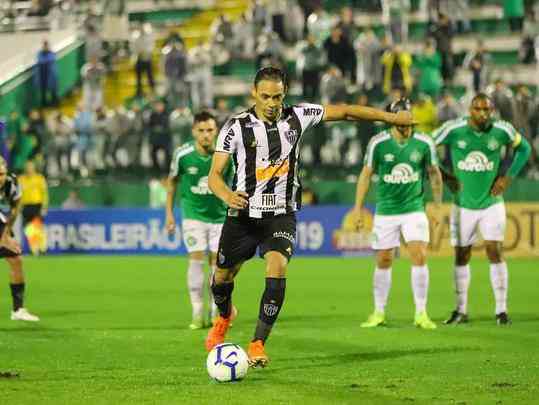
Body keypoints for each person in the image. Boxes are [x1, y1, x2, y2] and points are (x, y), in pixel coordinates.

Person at [205, 67, 415, 367]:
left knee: (277, 266)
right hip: (242, 214)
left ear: (285, 93)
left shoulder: (298, 116)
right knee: (222, 278)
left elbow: (344, 112)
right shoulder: (235, 127)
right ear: (254, 94)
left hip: (282, 214)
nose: (272, 103)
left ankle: (257, 343)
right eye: (265, 96)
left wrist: (391, 117)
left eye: (277, 96)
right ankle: (225, 316)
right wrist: (226, 195)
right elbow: (214, 176)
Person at [433, 93, 531, 325]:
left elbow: (524, 149)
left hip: (491, 204)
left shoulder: (502, 130)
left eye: (488, 109)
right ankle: (460, 310)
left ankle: (501, 310)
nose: (484, 114)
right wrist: (444, 175)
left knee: (494, 251)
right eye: (479, 109)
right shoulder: (453, 129)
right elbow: (427, 146)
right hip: (463, 205)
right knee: (461, 255)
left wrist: (507, 177)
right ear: (470, 110)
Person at [350, 99, 442, 330]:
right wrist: (358, 208)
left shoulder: (424, 143)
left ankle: (421, 313)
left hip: (414, 209)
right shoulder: (378, 144)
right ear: (391, 120)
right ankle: (379, 312)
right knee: (383, 259)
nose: (406, 126)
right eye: (402, 122)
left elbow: (434, 174)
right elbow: (365, 175)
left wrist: (438, 206)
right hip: (387, 211)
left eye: (409, 121)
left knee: (419, 255)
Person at [166, 111, 234, 330]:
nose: (206, 135)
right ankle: (197, 312)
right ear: (194, 132)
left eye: (210, 130)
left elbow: (233, 184)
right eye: (201, 130)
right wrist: (169, 213)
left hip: (220, 217)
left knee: (219, 266)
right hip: (193, 216)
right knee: (196, 259)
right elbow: (172, 182)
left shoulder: (225, 154)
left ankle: (217, 312)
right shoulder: (183, 154)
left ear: (216, 131)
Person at [0, 157, 40, 321]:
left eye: (1, 173)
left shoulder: (12, 183)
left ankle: (18, 310)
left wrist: (6, 233)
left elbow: (15, 207)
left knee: (16, 259)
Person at [18, 160, 48, 256]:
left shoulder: (39, 178)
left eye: (30, 167)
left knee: (38, 227)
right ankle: (34, 249)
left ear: (34, 168)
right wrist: (18, 206)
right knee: (29, 229)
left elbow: (44, 193)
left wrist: (44, 206)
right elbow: (18, 194)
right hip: (25, 206)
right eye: (27, 167)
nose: (29, 169)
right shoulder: (21, 179)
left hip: (36, 206)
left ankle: (42, 248)